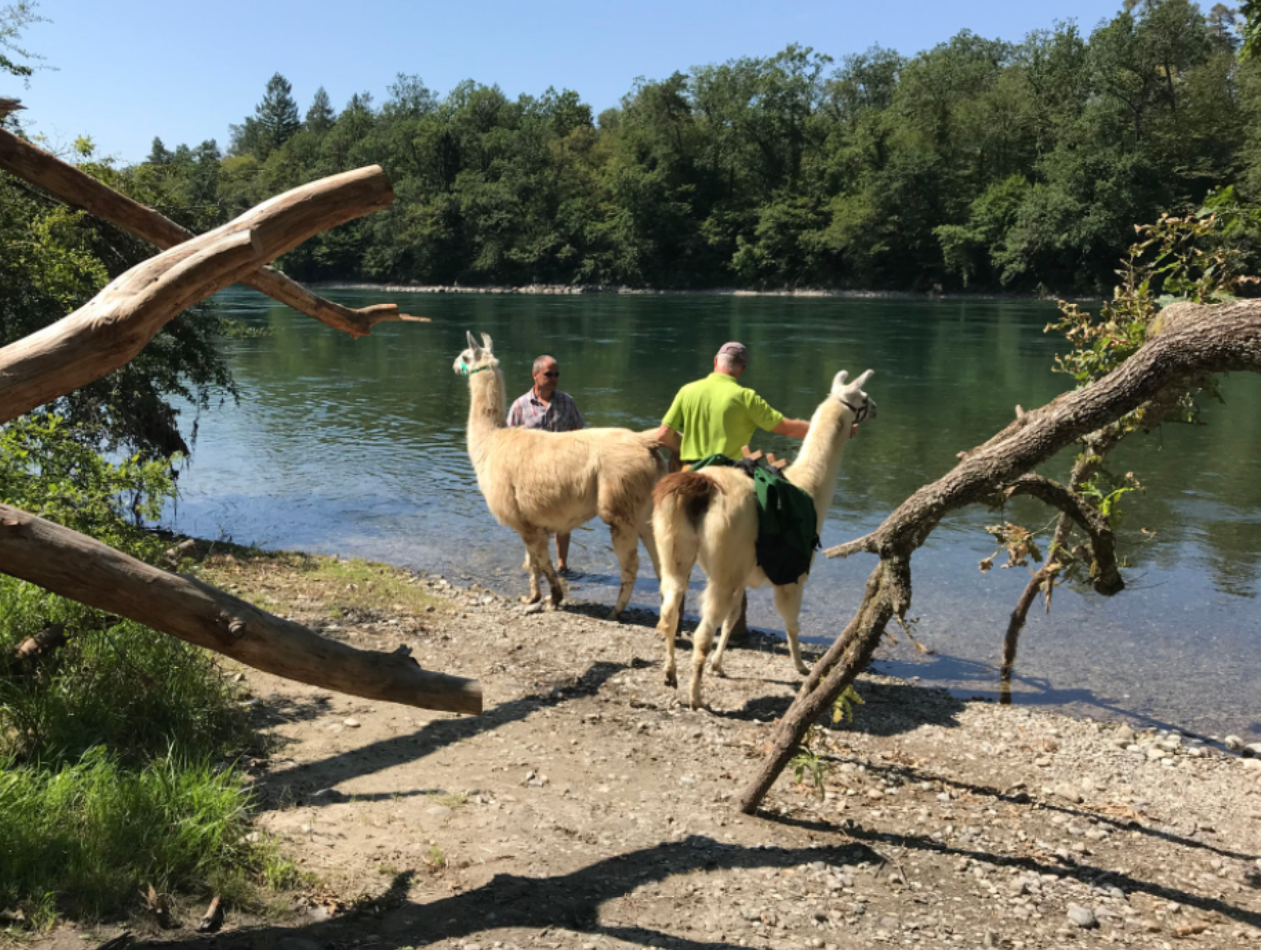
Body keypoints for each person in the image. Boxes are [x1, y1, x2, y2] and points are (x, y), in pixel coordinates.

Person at [652, 341, 811, 467]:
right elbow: (788, 430)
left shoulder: (686, 391)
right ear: (742, 370)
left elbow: (663, 435)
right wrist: (825, 429)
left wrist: (683, 447)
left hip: (690, 474)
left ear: (715, 361)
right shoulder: (746, 398)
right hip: (729, 478)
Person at [507, 354, 584, 572]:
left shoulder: (567, 402)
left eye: (556, 375)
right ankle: (534, 562)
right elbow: (509, 445)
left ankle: (562, 565)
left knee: (564, 520)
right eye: (548, 374)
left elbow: (580, 435)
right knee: (533, 521)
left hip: (563, 472)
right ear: (535, 375)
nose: (553, 379)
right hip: (532, 476)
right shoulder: (520, 406)